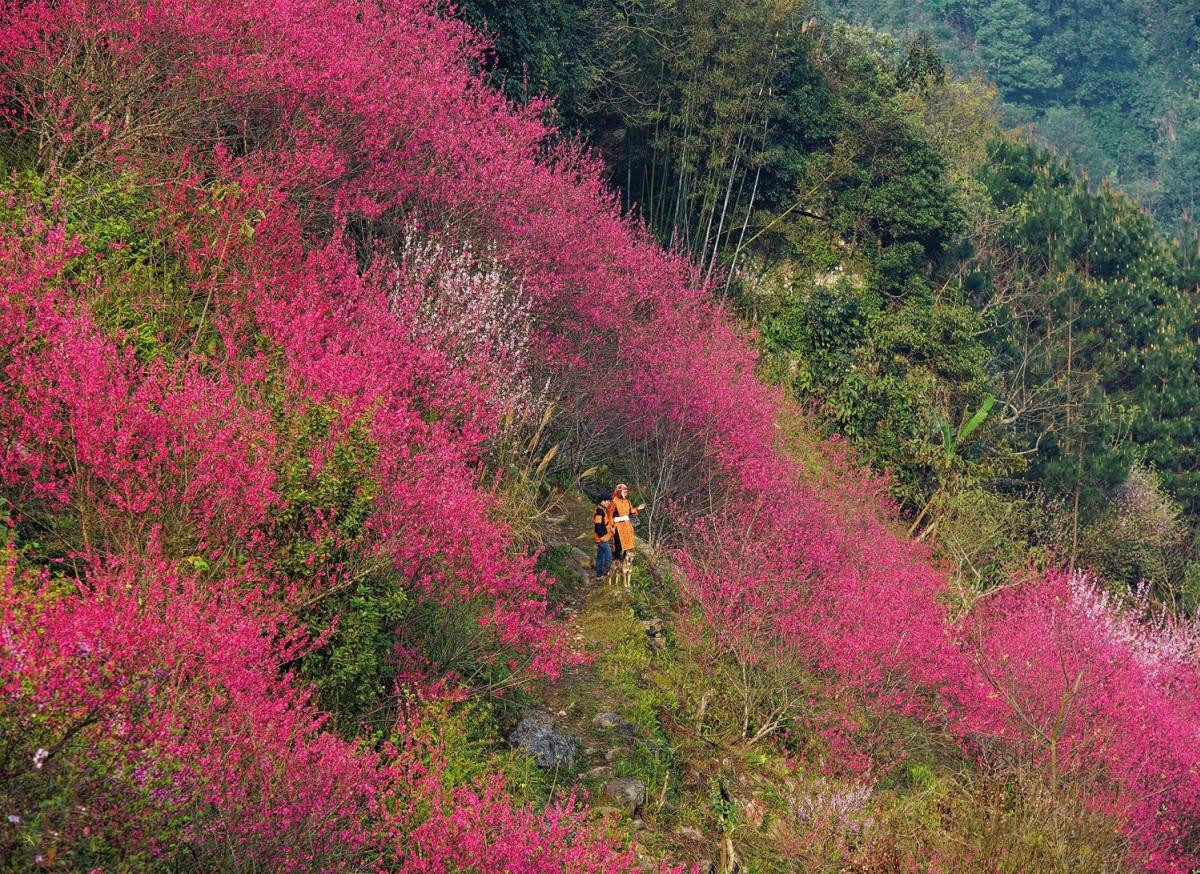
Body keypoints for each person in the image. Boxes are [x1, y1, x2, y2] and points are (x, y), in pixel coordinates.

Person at [606, 483, 645, 589]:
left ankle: (624, 569)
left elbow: (631, 512)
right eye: (624, 492)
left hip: (627, 527)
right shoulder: (614, 501)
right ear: (619, 492)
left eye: (626, 492)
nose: (626, 493)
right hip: (618, 526)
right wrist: (612, 526)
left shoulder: (627, 501)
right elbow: (610, 515)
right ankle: (615, 571)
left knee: (628, 548)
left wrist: (638, 508)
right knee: (618, 547)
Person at [593, 497, 614, 582]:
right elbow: (597, 526)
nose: (609, 503)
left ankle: (599, 575)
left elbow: (605, 523)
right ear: (603, 501)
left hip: (603, 537)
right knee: (608, 556)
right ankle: (606, 574)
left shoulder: (602, 510)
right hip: (602, 538)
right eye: (608, 501)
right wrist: (602, 537)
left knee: (600, 556)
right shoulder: (599, 511)